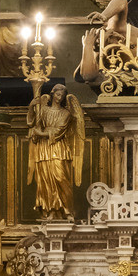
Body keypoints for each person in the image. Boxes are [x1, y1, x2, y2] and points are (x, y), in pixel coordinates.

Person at [26, 80, 85, 219]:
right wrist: (31, 107)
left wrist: (41, 134)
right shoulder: (43, 110)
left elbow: (59, 131)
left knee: (61, 178)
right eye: (58, 95)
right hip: (44, 148)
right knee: (46, 179)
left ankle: (67, 210)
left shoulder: (66, 113)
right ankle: (51, 209)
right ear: (53, 94)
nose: (59, 98)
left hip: (58, 148)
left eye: (62, 96)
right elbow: (31, 122)